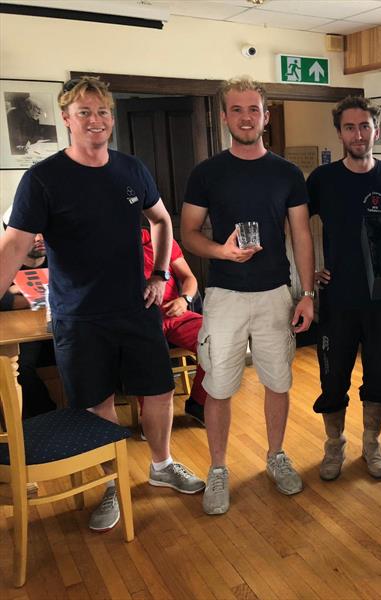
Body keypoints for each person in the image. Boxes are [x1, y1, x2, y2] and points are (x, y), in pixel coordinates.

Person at [0, 76, 205, 533]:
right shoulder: (43, 179)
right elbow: (13, 246)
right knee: (97, 401)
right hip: (79, 315)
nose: (96, 121)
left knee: (157, 390)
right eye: (85, 113)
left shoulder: (131, 169)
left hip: (136, 308)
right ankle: (111, 483)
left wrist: (160, 274)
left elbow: (162, 220)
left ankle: (162, 463)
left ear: (111, 118)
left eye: (103, 112)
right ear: (67, 120)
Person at [181, 76, 315, 516]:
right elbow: (187, 234)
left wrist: (307, 293)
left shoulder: (287, 173)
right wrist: (221, 250)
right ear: (224, 117)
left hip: (276, 293)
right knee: (219, 387)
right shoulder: (207, 173)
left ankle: (275, 456)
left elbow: (301, 235)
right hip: (224, 296)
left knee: (278, 382)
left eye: (253, 109)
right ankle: (218, 469)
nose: (245, 117)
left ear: (265, 116)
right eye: (236, 110)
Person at [306, 96, 381, 481]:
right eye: (349, 127)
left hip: (380, 299)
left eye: (364, 126)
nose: (357, 134)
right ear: (339, 133)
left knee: (378, 376)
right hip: (336, 299)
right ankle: (334, 446)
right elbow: (297, 227)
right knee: (332, 378)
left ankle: (371, 443)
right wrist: (308, 272)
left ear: (376, 131)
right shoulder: (322, 180)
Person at [140, 228, 207, 424]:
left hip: (174, 313)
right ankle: (151, 418)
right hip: (140, 321)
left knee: (217, 340)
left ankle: (199, 403)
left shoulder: (160, 239)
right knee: (145, 351)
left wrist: (184, 299)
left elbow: (189, 278)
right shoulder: (107, 245)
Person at [0, 225, 57, 419]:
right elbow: (4, 301)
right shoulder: (6, 264)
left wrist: (19, 293)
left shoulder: (58, 258)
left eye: (43, 232)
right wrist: (47, 294)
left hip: (59, 326)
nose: (39, 238)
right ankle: (48, 416)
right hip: (24, 333)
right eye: (32, 234)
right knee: (22, 368)